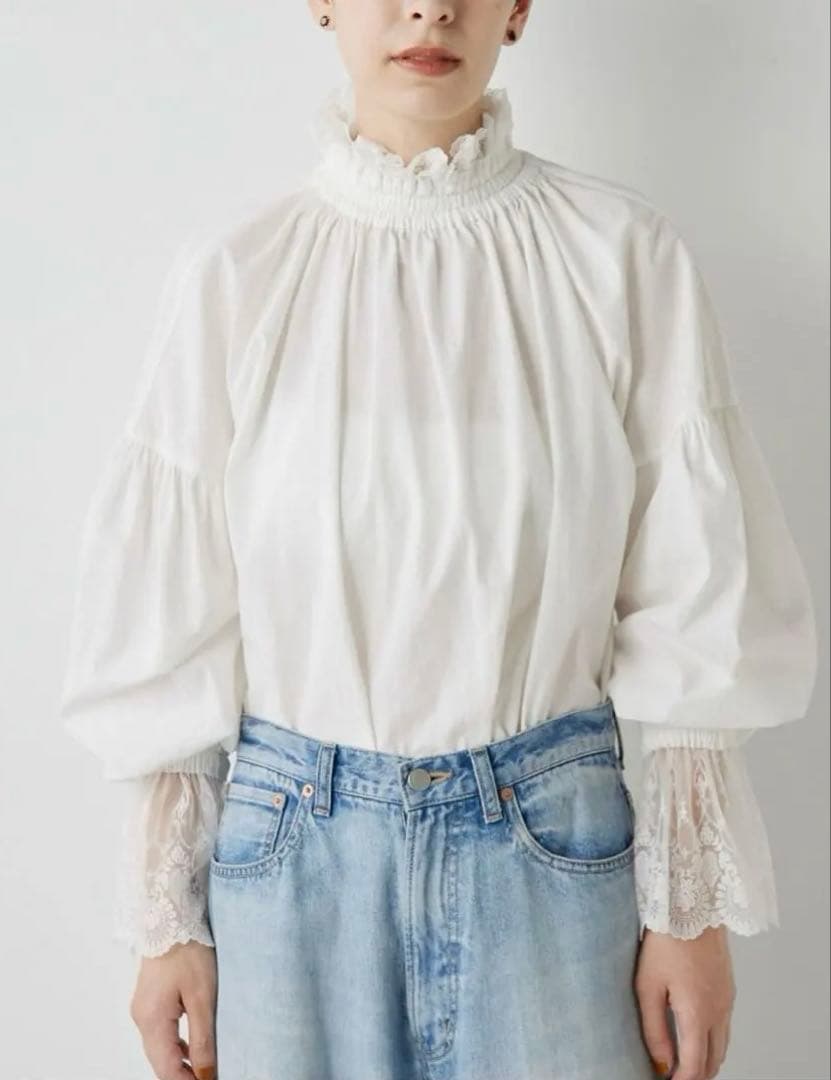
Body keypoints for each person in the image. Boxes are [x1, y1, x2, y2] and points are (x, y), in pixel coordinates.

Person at [57, 2, 818, 1079]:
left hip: (553, 856)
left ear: (519, 8)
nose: (429, 9)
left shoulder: (620, 257)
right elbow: (172, 613)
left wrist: (687, 912)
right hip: (291, 871)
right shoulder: (238, 276)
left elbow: (698, 582)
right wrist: (166, 921)